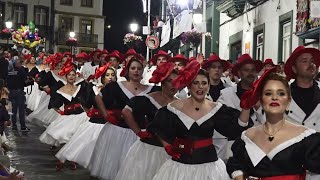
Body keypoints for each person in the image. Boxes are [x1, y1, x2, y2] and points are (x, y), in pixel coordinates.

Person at [149, 61, 251, 180]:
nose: (200, 87)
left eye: (204, 83)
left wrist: (246, 107)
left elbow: (238, 127)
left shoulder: (216, 109)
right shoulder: (174, 108)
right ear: (189, 85)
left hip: (209, 168)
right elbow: (157, 128)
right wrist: (168, 147)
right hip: (180, 168)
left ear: (208, 86)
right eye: (196, 83)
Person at [227, 67, 320, 180]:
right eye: (268, 93)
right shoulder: (246, 137)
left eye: (281, 93)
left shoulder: (306, 138)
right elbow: (235, 164)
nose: (274, 97)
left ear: (289, 101)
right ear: (261, 100)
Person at [88, 57, 155, 180]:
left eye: (139, 69)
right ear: (127, 71)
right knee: (113, 162)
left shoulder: (151, 90)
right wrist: (106, 115)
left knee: (132, 167)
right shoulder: (116, 86)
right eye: (133, 68)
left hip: (138, 133)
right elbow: (98, 97)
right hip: (117, 131)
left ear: (142, 71)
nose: (136, 71)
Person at [115, 62, 178, 180]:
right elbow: (126, 111)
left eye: (176, 81)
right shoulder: (149, 99)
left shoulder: (180, 103)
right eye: (170, 81)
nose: (174, 85)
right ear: (163, 81)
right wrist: (139, 132)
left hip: (170, 153)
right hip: (149, 151)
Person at [55, 63, 117, 170]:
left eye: (112, 75)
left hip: (111, 125)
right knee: (82, 144)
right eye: (107, 75)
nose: (110, 77)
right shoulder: (94, 89)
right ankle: (68, 159)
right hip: (95, 123)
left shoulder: (119, 91)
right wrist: (90, 112)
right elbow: (85, 103)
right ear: (102, 77)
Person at [216, 54, 264, 161]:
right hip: (232, 153)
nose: (250, 73)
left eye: (253, 70)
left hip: (258, 151)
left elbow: (269, 123)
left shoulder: (264, 95)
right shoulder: (226, 94)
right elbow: (220, 124)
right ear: (239, 73)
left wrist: (258, 108)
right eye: (246, 70)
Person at [283, 46, 320, 180]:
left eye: (312, 61)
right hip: (291, 167)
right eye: (304, 61)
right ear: (294, 69)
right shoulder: (282, 95)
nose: (310, 64)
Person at [6, 58, 29, 131]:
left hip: (11, 92)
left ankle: (14, 126)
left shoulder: (9, 71)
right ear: (18, 64)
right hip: (19, 92)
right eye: (20, 63)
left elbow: (7, 81)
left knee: (14, 110)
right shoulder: (21, 70)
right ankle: (22, 126)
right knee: (21, 110)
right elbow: (26, 80)